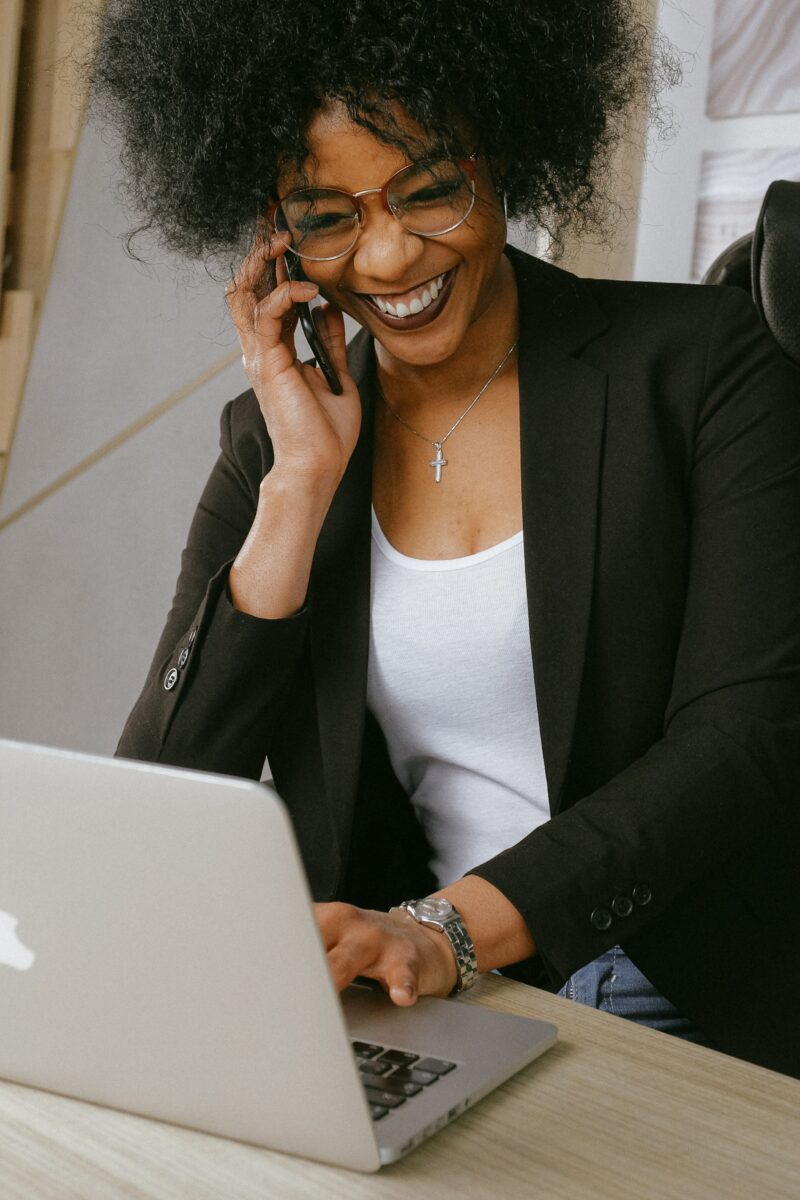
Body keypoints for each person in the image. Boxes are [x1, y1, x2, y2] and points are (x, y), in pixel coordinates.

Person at [92, 0, 800, 1077]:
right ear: (274, 228)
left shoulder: (705, 369)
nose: (385, 257)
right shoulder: (277, 438)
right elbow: (164, 794)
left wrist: (447, 930)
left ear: (503, 152)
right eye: (326, 217)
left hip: (680, 976)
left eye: (429, 191)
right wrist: (299, 485)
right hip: (412, 1000)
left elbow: (744, 739)